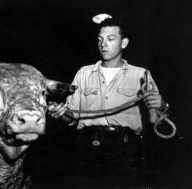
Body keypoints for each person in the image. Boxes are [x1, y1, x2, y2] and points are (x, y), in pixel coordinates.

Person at [47, 13, 169, 187]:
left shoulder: (141, 75)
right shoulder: (84, 73)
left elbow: (155, 120)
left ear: (124, 43)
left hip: (126, 151)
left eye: (111, 39)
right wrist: (61, 113)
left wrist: (162, 105)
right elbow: (72, 117)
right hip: (87, 149)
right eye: (100, 39)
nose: (103, 44)